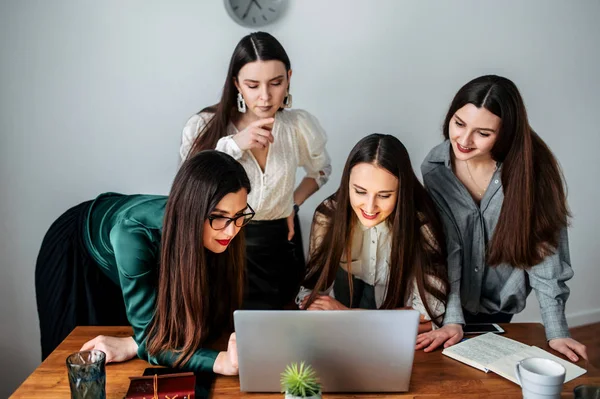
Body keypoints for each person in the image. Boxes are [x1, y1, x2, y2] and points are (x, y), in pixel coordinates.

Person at [35, 151, 254, 374]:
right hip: (75, 254)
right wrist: (220, 362)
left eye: (239, 214)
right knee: (78, 369)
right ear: (193, 211)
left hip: (125, 242)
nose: (232, 230)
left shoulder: (226, 225)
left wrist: (135, 343)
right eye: (218, 215)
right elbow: (152, 341)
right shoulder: (133, 235)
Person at [418, 75, 588, 362]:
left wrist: (556, 331)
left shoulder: (534, 173)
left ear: (505, 133)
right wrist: (453, 317)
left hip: (501, 301)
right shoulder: (436, 169)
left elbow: (545, 254)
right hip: (448, 298)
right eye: (459, 123)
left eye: (483, 133)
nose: (464, 140)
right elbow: (447, 249)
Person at [180, 31, 331, 310]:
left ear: (289, 77)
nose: (265, 97)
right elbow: (190, 187)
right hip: (222, 245)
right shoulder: (204, 127)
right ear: (236, 83)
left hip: (279, 245)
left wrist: (291, 204)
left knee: (280, 336)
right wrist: (236, 145)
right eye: (253, 85)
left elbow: (321, 170)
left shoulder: (298, 126)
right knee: (224, 332)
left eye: (276, 82)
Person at [297, 134, 448, 332]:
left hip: (393, 335)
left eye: (384, 195)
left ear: (401, 191)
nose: (370, 207)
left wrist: (344, 314)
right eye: (360, 191)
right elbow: (311, 294)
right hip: (344, 327)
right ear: (347, 183)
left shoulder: (422, 225)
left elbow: (427, 318)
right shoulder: (328, 216)